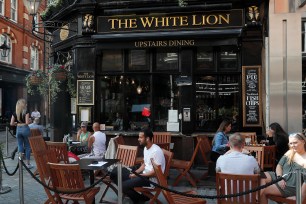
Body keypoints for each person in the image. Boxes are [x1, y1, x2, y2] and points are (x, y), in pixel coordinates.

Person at [121, 128, 165, 204]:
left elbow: (155, 173)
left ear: (147, 138)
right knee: (120, 174)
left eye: (141, 137)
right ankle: (142, 197)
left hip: (152, 179)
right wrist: (136, 172)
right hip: (145, 174)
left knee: (123, 185)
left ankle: (139, 199)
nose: (138, 139)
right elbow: (145, 163)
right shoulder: (146, 148)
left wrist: (139, 175)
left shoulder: (156, 151)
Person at [260, 133, 306, 204]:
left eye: (295, 143)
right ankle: (256, 198)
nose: (293, 145)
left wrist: (299, 196)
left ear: (303, 141)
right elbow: (279, 165)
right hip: (280, 176)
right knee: (260, 177)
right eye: (291, 143)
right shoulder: (290, 152)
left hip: (291, 185)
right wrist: (280, 178)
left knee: (264, 191)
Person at [10, 99, 33, 169]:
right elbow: (26, 123)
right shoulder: (26, 112)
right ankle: (28, 164)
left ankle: (20, 163)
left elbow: (11, 123)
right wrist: (30, 120)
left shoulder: (15, 113)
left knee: (20, 145)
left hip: (18, 129)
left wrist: (16, 123)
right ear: (23, 105)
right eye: (25, 103)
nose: (26, 105)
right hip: (25, 129)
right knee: (28, 146)